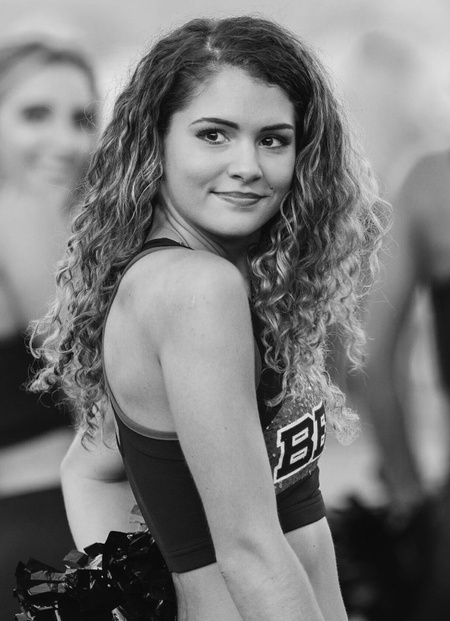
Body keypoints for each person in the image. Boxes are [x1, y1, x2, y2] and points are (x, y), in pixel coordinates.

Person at [29, 16, 388, 621]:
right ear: (155, 142)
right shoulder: (196, 289)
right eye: (214, 135)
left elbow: (92, 470)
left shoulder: (212, 282)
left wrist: (129, 599)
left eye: (273, 139)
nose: (248, 165)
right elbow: (251, 551)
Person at [0, 38, 98, 616]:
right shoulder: (20, 213)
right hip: (47, 531)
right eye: (35, 114)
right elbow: (93, 392)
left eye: (81, 119)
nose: (65, 141)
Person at [349, 149, 450, 620]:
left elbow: (370, 357)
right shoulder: (432, 182)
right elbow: (372, 359)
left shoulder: (432, 182)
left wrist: (409, 500)